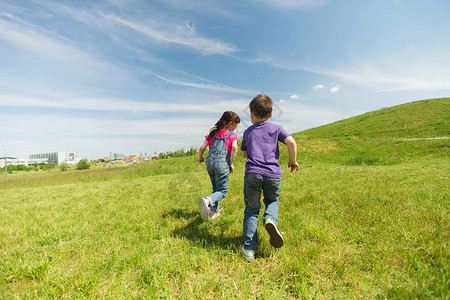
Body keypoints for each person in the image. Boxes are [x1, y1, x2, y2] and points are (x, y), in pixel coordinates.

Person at [240, 94, 299, 261]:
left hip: (252, 174)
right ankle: (270, 219)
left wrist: (250, 151)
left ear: (251, 114)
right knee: (272, 201)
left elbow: (244, 154)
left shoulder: (248, 131)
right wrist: (292, 161)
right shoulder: (277, 128)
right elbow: (291, 142)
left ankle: (249, 249)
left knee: (251, 209)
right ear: (271, 114)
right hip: (273, 174)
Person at [198, 111, 240, 222]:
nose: (235, 128)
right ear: (230, 124)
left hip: (210, 163)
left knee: (216, 188)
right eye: (236, 125)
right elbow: (235, 148)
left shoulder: (213, 134)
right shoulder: (231, 135)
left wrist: (201, 157)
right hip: (222, 163)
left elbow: (202, 148)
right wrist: (231, 163)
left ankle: (213, 212)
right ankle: (207, 201)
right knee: (222, 191)